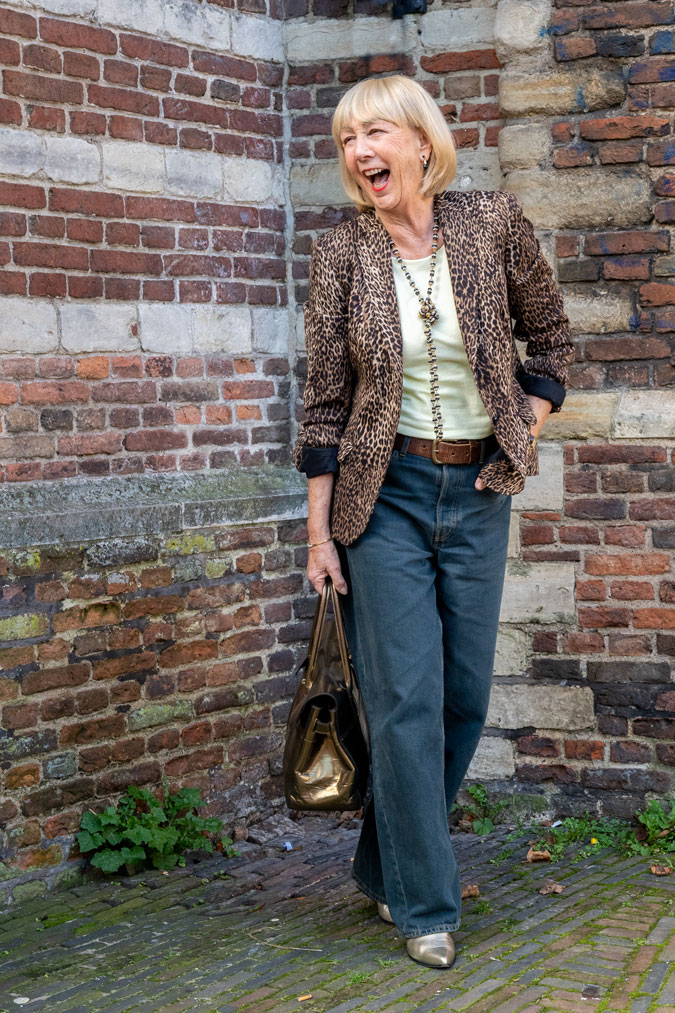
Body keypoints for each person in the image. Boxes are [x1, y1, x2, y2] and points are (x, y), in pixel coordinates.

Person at [292, 74, 574, 969]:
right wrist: (318, 535)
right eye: (346, 140)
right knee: (405, 700)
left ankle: (383, 862)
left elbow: (552, 341)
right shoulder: (341, 252)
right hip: (382, 496)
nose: (358, 152)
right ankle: (424, 906)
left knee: (461, 697)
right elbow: (322, 405)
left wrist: (525, 426)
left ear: (421, 142)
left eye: (373, 132)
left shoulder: (491, 223)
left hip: (480, 487)